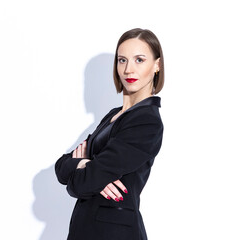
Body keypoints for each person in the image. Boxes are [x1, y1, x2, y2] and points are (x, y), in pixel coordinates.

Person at [55, 28, 164, 240]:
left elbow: (82, 183)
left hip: (114, 233)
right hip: (85, 230)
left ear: (156, 65)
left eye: (139, 60)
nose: (128, 69)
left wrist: (87, 168)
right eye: (122, 60)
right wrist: (85, 165)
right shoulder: (114, 115)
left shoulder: (146, 121)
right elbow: (61, 167)